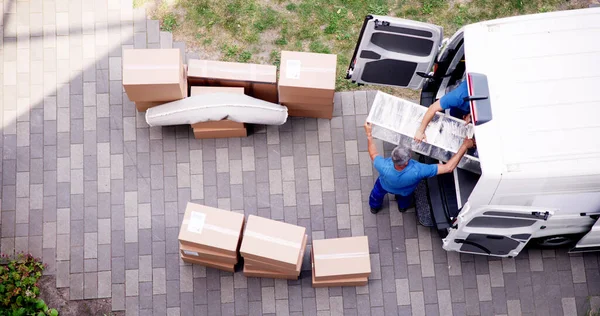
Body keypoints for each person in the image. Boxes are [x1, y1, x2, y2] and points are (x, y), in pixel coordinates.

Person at [364, 122, 474, 213]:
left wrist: (369, 134)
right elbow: (448, 168)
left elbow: (373, 154)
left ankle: (374, 207)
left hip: (385, 185)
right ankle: (402, 207)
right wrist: (464, 146)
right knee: (405, 198)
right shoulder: (418, 170)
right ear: (406, 162)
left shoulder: (383, 166)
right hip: (405, 191)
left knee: (376, 194)